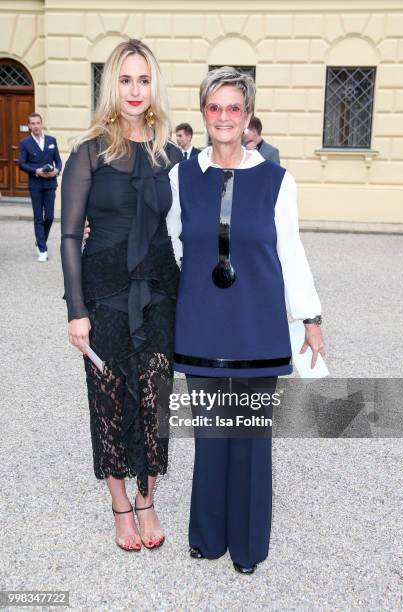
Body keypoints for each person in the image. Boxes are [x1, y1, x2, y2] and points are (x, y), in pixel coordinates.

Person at [168, 67, 324, 574]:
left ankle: (247, 547)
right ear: (203, 113)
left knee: (252, 439)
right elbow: (167, 240)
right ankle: (208, 537)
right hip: (202, 323)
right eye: (215, 107)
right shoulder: (182, 174)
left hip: (257, 324)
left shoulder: (279, 180)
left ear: (249, 114)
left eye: (234, 107)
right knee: (212, 433)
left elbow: (291, 252)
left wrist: (310, 317)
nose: (224, 117)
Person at [60, 39, 181, 552]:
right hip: (104, 295)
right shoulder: (88, 152)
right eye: (126, 79)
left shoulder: (172, 155)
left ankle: (147, 498)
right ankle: (119, 506)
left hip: (158, 293)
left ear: (154, 86)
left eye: (144, 79)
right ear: (113, 84)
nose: (135, 90)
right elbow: (68, 236)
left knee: (155, 398)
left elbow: (189, 226)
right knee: (107, 400)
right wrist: (76, 312)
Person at [18, 113, 62, 262]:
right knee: (38, 217)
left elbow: (58, 161)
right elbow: (21, 163)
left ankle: (40, 240)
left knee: (49, 217)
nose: (36, 126)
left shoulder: (51, 140)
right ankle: (43, 249)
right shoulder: (25, 143)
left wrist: (57, 170)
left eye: (38, 123)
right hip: (35, 184)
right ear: (29, 126)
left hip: (50, 183)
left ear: (41, 124)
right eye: (33, 123)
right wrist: (35, 171)